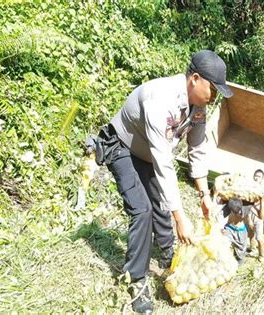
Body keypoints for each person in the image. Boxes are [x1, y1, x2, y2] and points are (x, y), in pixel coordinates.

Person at [95, 50, 233, 313]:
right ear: (195, 79)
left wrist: (204, 194)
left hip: (148, 154)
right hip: (123, 147)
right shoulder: (160, 99)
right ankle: (136, 281)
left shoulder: (199, 108)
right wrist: (181, 218)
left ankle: (170, 257)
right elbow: (163, 162)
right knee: (143, 210)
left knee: (160, 206)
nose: (214, 96)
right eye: (213, 88)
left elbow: (197, 149)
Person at [221, 197, 250, 265]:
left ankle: (239, 262)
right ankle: (238, 261)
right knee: (241, 249)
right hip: (234, 229)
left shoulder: (238, 213)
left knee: (240, 250)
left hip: (234, 230)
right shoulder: (243, 210)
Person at [245, 169, 264, 258]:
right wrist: (249, 219)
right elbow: (246, 204)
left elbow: (261, 214)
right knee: (251, 234)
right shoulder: (250, 188)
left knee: (259, 238)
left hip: (258, 216)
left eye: (259, 177)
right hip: (250, 214)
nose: (257, 178)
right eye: (255, 176)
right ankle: (252, 248)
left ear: (262, 179)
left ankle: (261, 256)